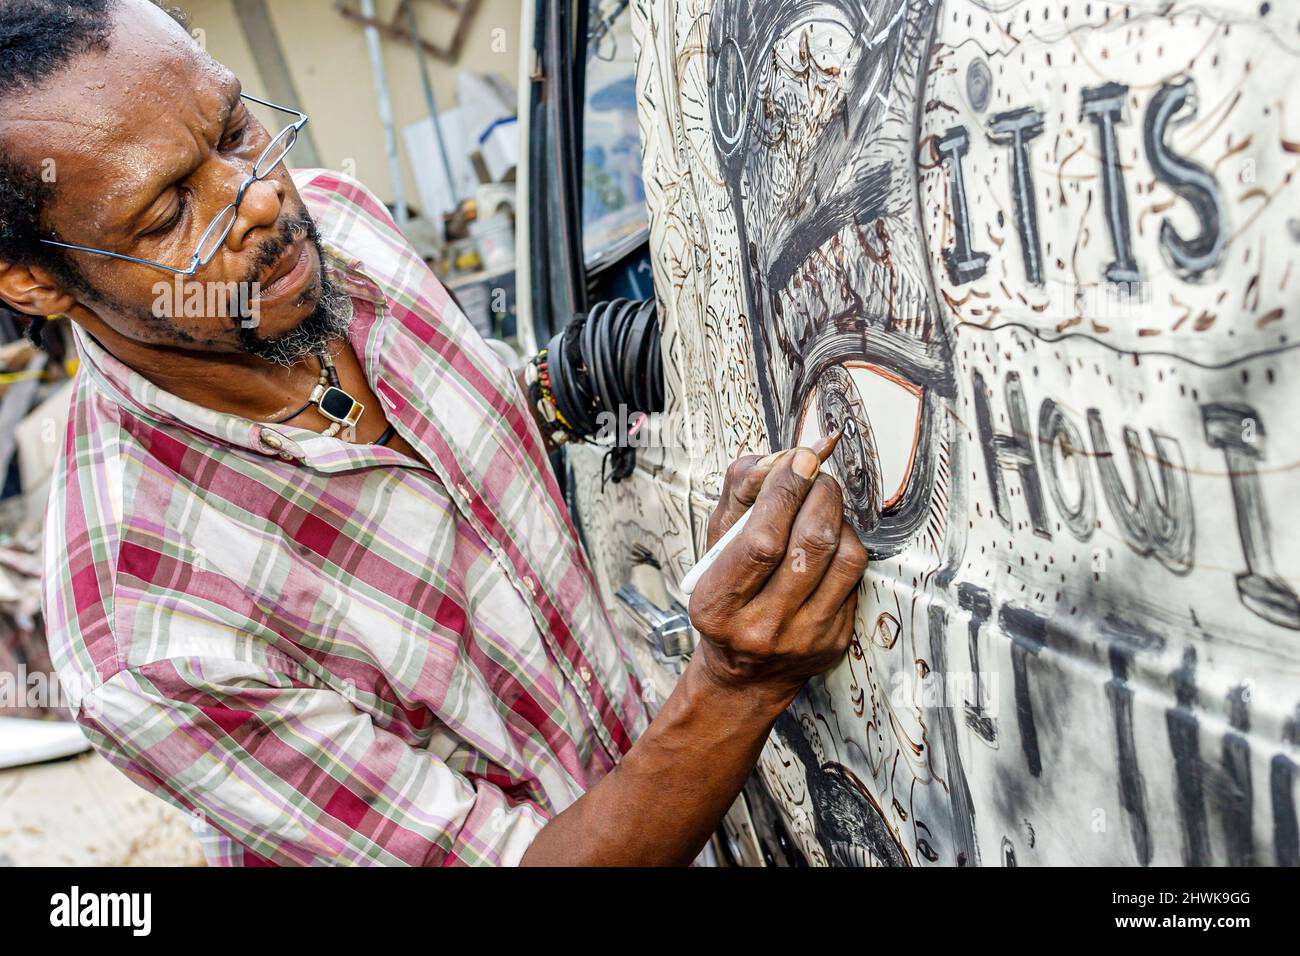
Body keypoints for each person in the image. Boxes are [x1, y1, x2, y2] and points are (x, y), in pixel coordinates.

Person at [0, 0, 867, 865]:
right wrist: (732, 686)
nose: (260, 196)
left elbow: (455, 495)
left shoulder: (346, 234)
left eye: (233, 128)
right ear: (33, 281)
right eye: (166, 214)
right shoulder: (149, 639)